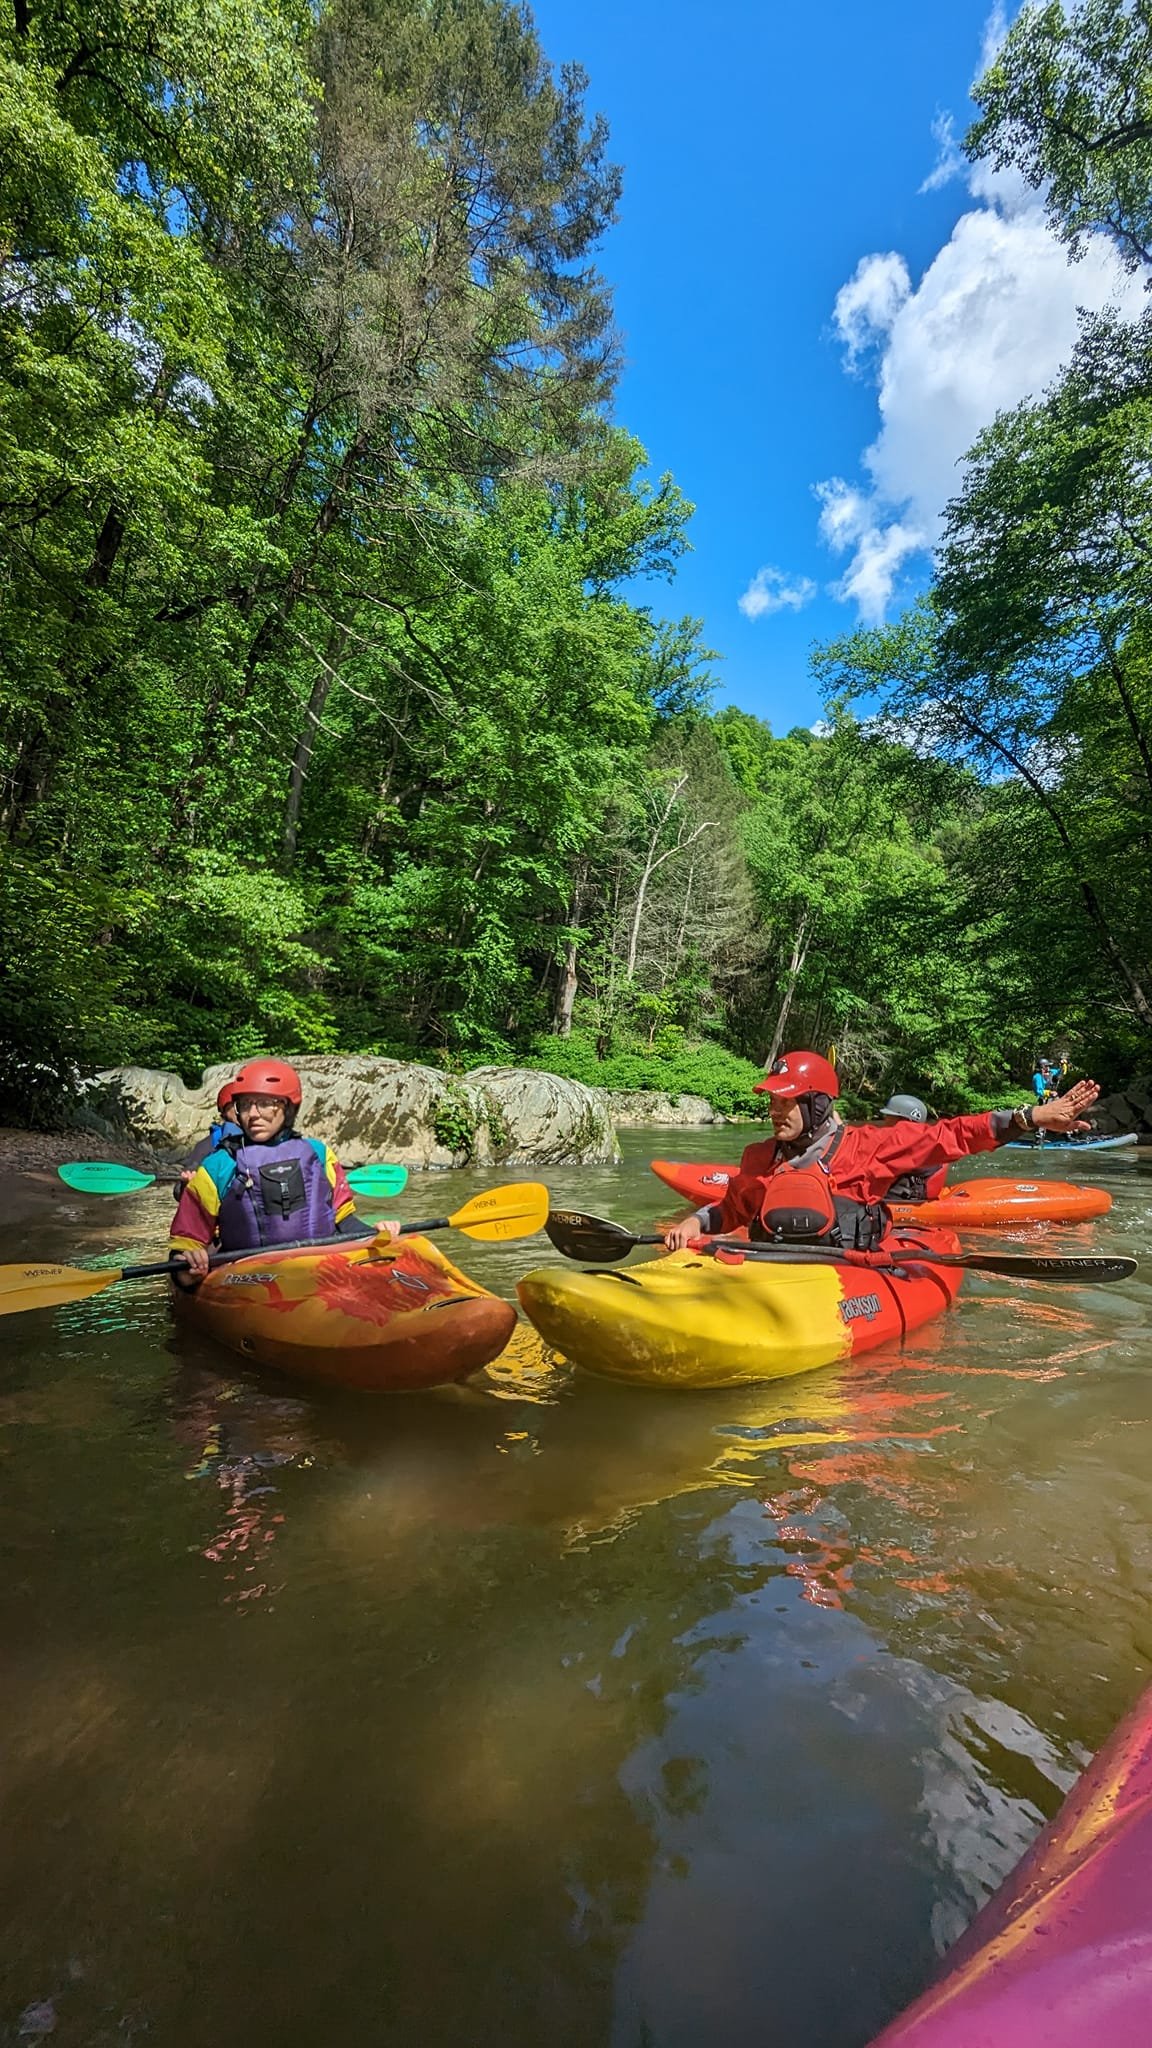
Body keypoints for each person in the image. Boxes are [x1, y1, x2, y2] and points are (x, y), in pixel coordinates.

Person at [663, 1049, 1099, 1253]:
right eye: (772, 1102)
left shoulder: (868, 1147)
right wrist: (693, 1223)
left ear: (817, 1104)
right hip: (769, 1266)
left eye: (785, 1102)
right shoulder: (759, 1157)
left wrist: (1031, 1117)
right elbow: (730, 1212)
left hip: (841, 1274)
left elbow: (952, 1136)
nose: (775, 1112)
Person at [168, 1058, 395, 1283]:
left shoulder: (319, 1154)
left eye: (264, 1104)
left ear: (288, 1107)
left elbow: (344, 1221)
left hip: (321, 1270)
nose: (253, 1114)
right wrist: (187, 1265)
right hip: (249, 1281)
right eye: (245, 1105)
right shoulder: (219, 1165)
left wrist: (376, 1234)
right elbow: (187, 1241)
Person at [876, 1094, 948, 1205]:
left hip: (907, 1196)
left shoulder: (905, 1144)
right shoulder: (923, 1138)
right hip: (915, 1190)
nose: (885, 1119)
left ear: (904, 1121)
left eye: (889, 1116)